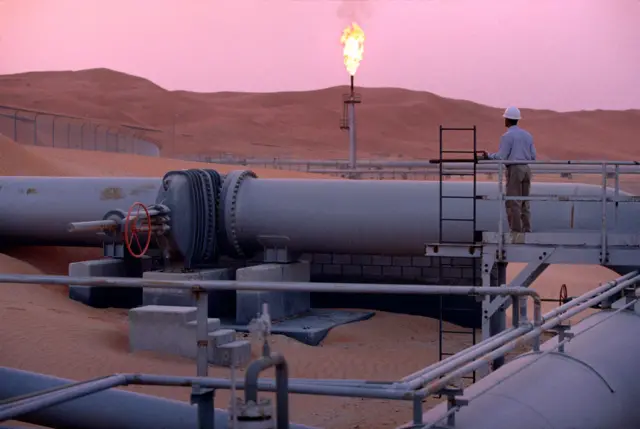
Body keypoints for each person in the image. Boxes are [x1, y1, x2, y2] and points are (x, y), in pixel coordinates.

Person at [480, 106, 536, 233]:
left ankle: (516, 230)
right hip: (526, 169)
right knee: (525, 200)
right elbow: (533, 156)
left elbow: (501, 156)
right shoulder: (528, 135)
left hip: (515, 169)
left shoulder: (507, 136)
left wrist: (489, 156)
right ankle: (527, 228)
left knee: (513, 202)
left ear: (508, 120)